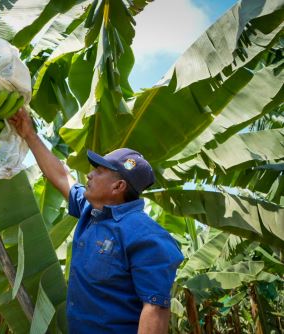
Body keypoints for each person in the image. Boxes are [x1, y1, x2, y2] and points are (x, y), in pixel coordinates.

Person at [9, 108, 184, 334]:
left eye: (99, 172)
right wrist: (29, 134)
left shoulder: (146, 236)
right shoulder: (90, 211)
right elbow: (62, 176)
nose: (89, 175)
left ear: (118, 187)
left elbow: (155, 310)